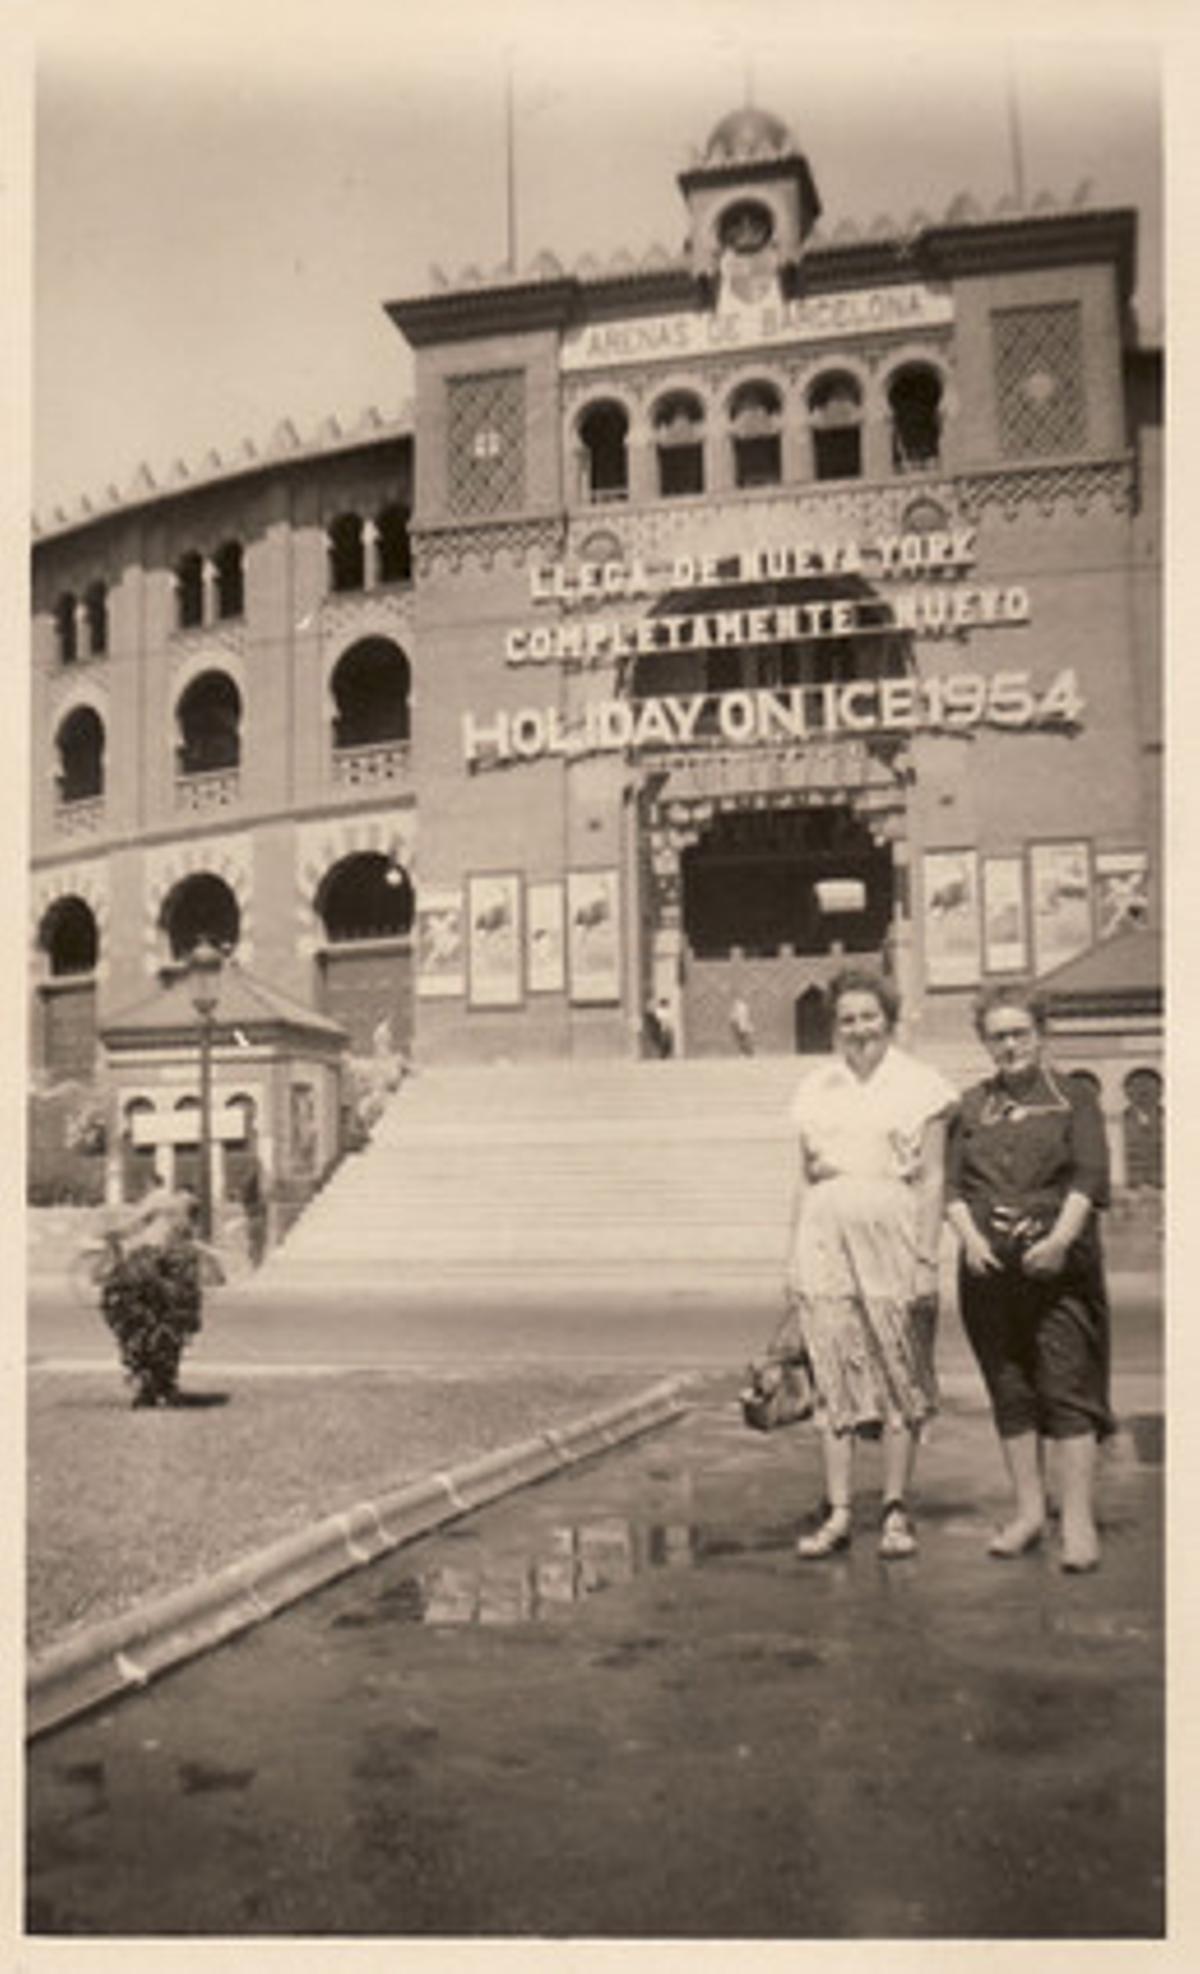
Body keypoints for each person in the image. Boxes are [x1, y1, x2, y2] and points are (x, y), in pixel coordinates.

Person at [785, 967, 956, 1559]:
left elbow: (934, 1178)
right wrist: (792, 1260)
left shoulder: (923, 1084)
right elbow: (804, 1179)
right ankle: (837, 1513)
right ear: (834, 1026)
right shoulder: (816, 1086)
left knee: (896, 1373)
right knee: (833, 1375)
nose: (859, 1029)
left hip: (894, 1233)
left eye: (869, 1016)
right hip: (825, 1238)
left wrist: (926, 1259)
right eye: (847, 1019)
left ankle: (894, 1511)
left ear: (890, 1019)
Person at [946, 983, 1113, 1572]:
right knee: (1010, 1389)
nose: (1010, 1044)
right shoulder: (970, 1106)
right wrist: (968, 1240)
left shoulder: (1073, 1099)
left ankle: (1079, 1521)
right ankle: (1028, 1513)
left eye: (1019, 1032)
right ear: (985, 1042)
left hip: (1059, 1269)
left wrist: (1060, 1240)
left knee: (1066, 1388)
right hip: (988, 1273)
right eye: (998, 1036)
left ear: (1041, 1034)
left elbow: (1089, 1176)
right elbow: (952, 1188)